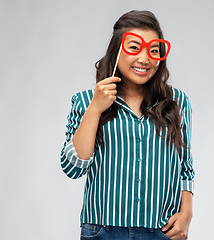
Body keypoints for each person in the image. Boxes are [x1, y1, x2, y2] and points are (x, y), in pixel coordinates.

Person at [60, 10, 194, 240]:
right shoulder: (85, 101)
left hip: (161, 232)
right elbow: (73, 168)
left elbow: (185, 165)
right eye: (134, 47)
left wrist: (186, 215)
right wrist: (95, 109)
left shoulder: (177, 102)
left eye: (154, 50)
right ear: (116, 51)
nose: (145, 59)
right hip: (103, 231)